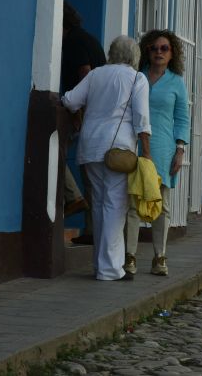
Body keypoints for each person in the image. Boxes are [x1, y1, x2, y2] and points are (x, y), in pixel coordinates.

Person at [61, 36, 151, 281]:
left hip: (90, 148)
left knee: (100, 206)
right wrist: (147, 153)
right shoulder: (137, 78)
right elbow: (141, 118)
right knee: (114, 207)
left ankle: (102, 266)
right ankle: (111, 269)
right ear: (135, 57)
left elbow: (69, 100)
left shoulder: (96, 75)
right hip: (119, 151)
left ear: (112, 53)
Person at [123, 30, 189, 278]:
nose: (159, 52)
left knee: (161, 204)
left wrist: (180, 149)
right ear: (146, 52)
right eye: (154, 48)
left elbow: (182, 118)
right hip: (134, 146)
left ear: (172, 54)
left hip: (163, 148)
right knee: (131, 203)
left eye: (164, 48)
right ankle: (129, 257)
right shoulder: (136, 78)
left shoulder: (176, 83)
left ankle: (159, 257)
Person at [60, 2, 108, 235]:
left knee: (54, 154)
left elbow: (85, 73)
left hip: (84, 112)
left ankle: (73, 197)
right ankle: (91, 231)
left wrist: (78, 111)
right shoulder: (88, 39)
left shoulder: (73, 42)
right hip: (99, 114)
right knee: (91, 176)